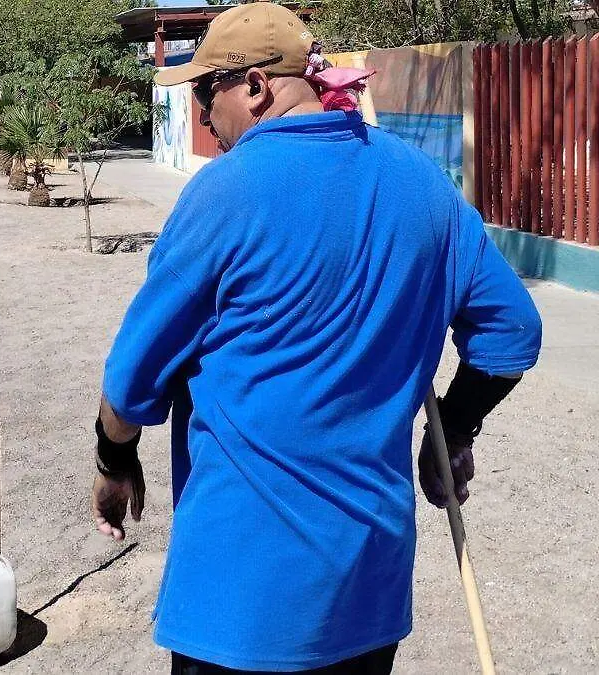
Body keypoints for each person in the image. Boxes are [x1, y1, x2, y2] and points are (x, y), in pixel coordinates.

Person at [91, 4, 542, 673]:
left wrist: (112, 459)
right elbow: (513, 331)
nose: (204, 116)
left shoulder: (226, 193)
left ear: (254, 86)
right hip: (368, 593)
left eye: (203, 91)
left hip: (241, 604)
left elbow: (132, 381)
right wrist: (455, 424)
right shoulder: (422, 184)